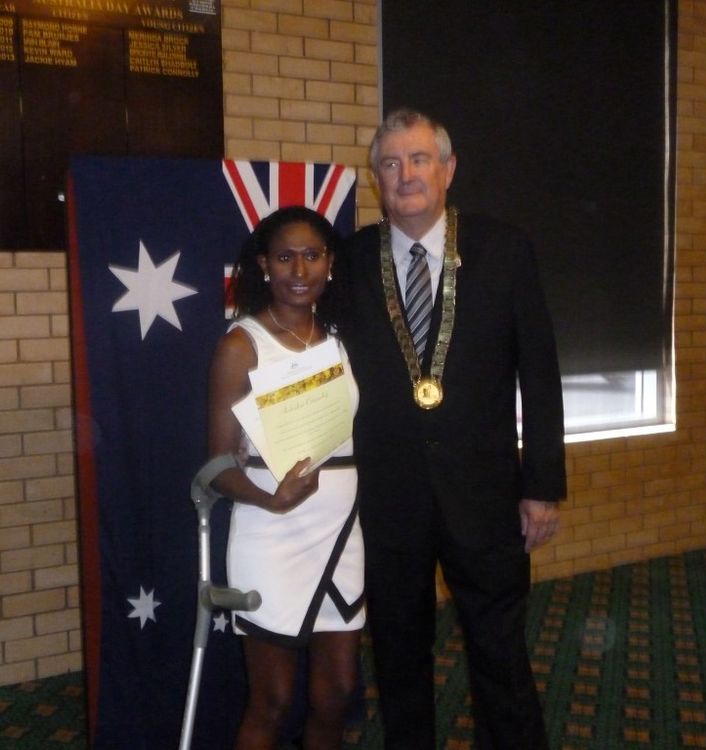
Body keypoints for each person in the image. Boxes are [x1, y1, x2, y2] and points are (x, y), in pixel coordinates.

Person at [341, 109, 567, 749]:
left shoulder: (504, 249)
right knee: (399, 653)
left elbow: (540, 373)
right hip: (388, 500)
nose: (404, 175)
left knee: (499, 651)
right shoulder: (352, 262)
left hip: (487, 495)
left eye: (417, 160)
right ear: (376, 178)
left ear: (448, 169)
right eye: (390, 163)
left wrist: (542, 484)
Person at [207, 205, 365, 750]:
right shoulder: (241, 344)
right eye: (285, 257)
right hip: (271, 534)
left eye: (312, 256)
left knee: (337, 693)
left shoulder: (343, 337)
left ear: (330, 263)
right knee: (270, 702)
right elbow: (217, 466)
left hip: (343, 532)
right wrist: (270, 499)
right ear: (263, 266)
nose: (300, 271)